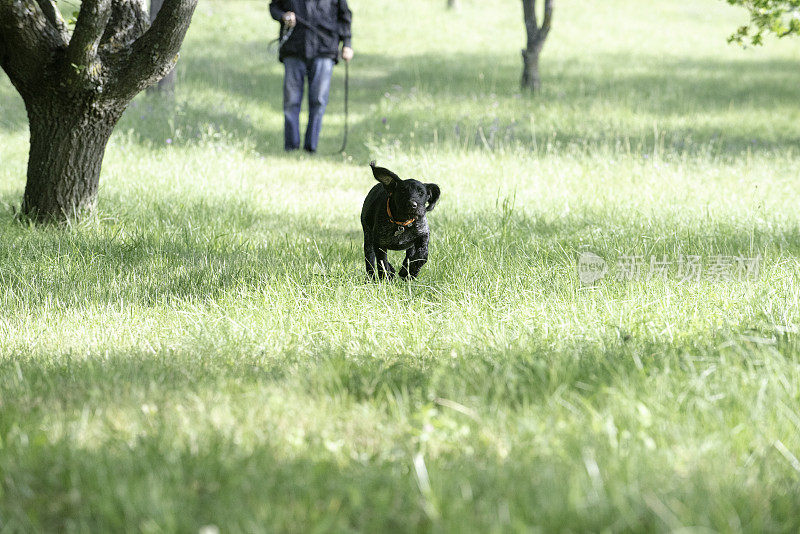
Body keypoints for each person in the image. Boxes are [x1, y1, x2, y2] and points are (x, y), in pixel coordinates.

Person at [269, 0, 353, 153]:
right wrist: (284, 16)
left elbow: (345, 16)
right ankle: (291, 147)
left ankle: (310, 147)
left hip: (324, 49)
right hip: (294, 49)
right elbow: (274, 7)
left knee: (318, 100)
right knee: (291, 101)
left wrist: (347, 43)